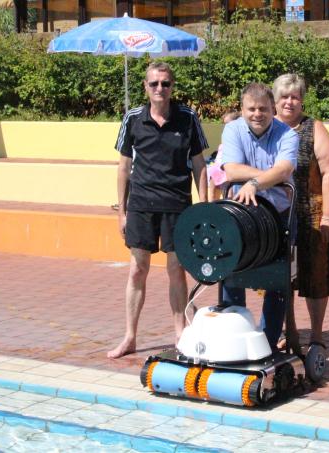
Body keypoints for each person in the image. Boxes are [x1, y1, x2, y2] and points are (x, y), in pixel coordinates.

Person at [107, 61, 209, 358]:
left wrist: (204, 207)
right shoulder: (133, 118)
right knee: (137, 269)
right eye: (154, 83)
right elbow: (124, 168)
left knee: (177, 270)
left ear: (172, 86)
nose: (160, 88)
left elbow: (200, 165)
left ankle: (179, 333)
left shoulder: (188, 117)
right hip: (141, 205)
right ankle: (130, 336)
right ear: (145, 87)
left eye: (165, 83)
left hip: (178, 205)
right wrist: (122, 212)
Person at [220, 82, 299, 349]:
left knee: (276, 281)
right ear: (242, 110)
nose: (257, 114)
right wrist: (269, 177)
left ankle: (267, 343)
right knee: (232, 274)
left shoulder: (287, 134)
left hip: (279, 215)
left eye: (263, 109)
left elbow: (285, 170)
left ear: (273, 109)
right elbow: (231, 171)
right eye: (251, 109)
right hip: (241, 214)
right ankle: (234, 340)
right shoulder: (232, 129)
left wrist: (254, 183)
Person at [271, 73, 329, 357]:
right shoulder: (268, 128)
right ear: (275, 100)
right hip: (277, 215)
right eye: (284, 96)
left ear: (302, 100)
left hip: (311, 213)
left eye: (295, 97)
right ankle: (290, 331)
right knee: (281, 277)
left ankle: (317, 335)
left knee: (316, 277)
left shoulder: (314, 128)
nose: (289, 102)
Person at [207, 110, 241, 202]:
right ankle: (213, 207)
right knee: (213, 196)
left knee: (229, 196)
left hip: (228, 173)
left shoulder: (239, 138)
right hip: (216, 171)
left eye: (228, 124)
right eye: (224, 124)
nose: (226, 127)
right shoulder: (225, 136)